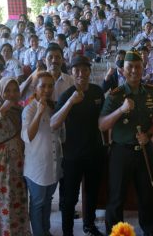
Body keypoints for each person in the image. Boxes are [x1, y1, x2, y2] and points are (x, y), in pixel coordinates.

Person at [99, 50, 153, 236]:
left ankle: (149, 231)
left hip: (144, 150)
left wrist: (148, 135)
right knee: (116, 198)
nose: (134, 70)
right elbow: (102, 125)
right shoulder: (115, 95)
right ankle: (116, 233)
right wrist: (121, 110)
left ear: (143, 69)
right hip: (121, 152)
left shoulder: (151, 92)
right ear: (123, 71)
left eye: (138, 67)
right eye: (130, 67)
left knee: (146, 196)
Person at [52, 55, 106, 236]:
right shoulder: (67, 95)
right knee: (70, 198)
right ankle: (67, 232)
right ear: (72, 73)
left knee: (92, 194)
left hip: (95, 153)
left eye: (85, 70)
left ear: (90, 71)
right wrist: (70, 102)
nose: (81, 74)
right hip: (72, 155)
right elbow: (54, 123)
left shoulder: (97, 92)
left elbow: (103, 119)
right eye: (77, 70)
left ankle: (89, 226)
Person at [0, 77, 31, 236]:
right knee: (1, 197)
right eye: (7, 91)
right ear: (0, 92)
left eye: (15, 90)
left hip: (18, 163)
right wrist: (2, 110)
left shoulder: (20, 110)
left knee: (16, 197)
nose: (12, 94)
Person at [22, 72, 62, 236]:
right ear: (35, 88)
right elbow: (27, 137)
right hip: (37, 167)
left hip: (53, 164)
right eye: (43, 86)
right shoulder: (29, 109)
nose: (47, 89)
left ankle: (46, 230)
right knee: (38, 203)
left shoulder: (54, 107)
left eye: (50, 86)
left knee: (47, 201)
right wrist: (39, 112)